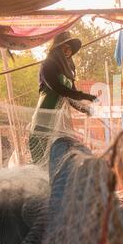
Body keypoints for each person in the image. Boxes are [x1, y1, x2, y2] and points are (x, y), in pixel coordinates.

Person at [28, 32, 96, 163]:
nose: (67, 51)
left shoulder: (68, 72)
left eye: (69, 49)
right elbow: (58, 88)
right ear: (57, 49)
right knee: (42, 160)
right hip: (43, 119)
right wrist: (84, 96)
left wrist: (86, 109)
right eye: (64, 48)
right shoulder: (47, 65)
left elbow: (72, 97)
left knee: (60, 159)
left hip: (60, 121)